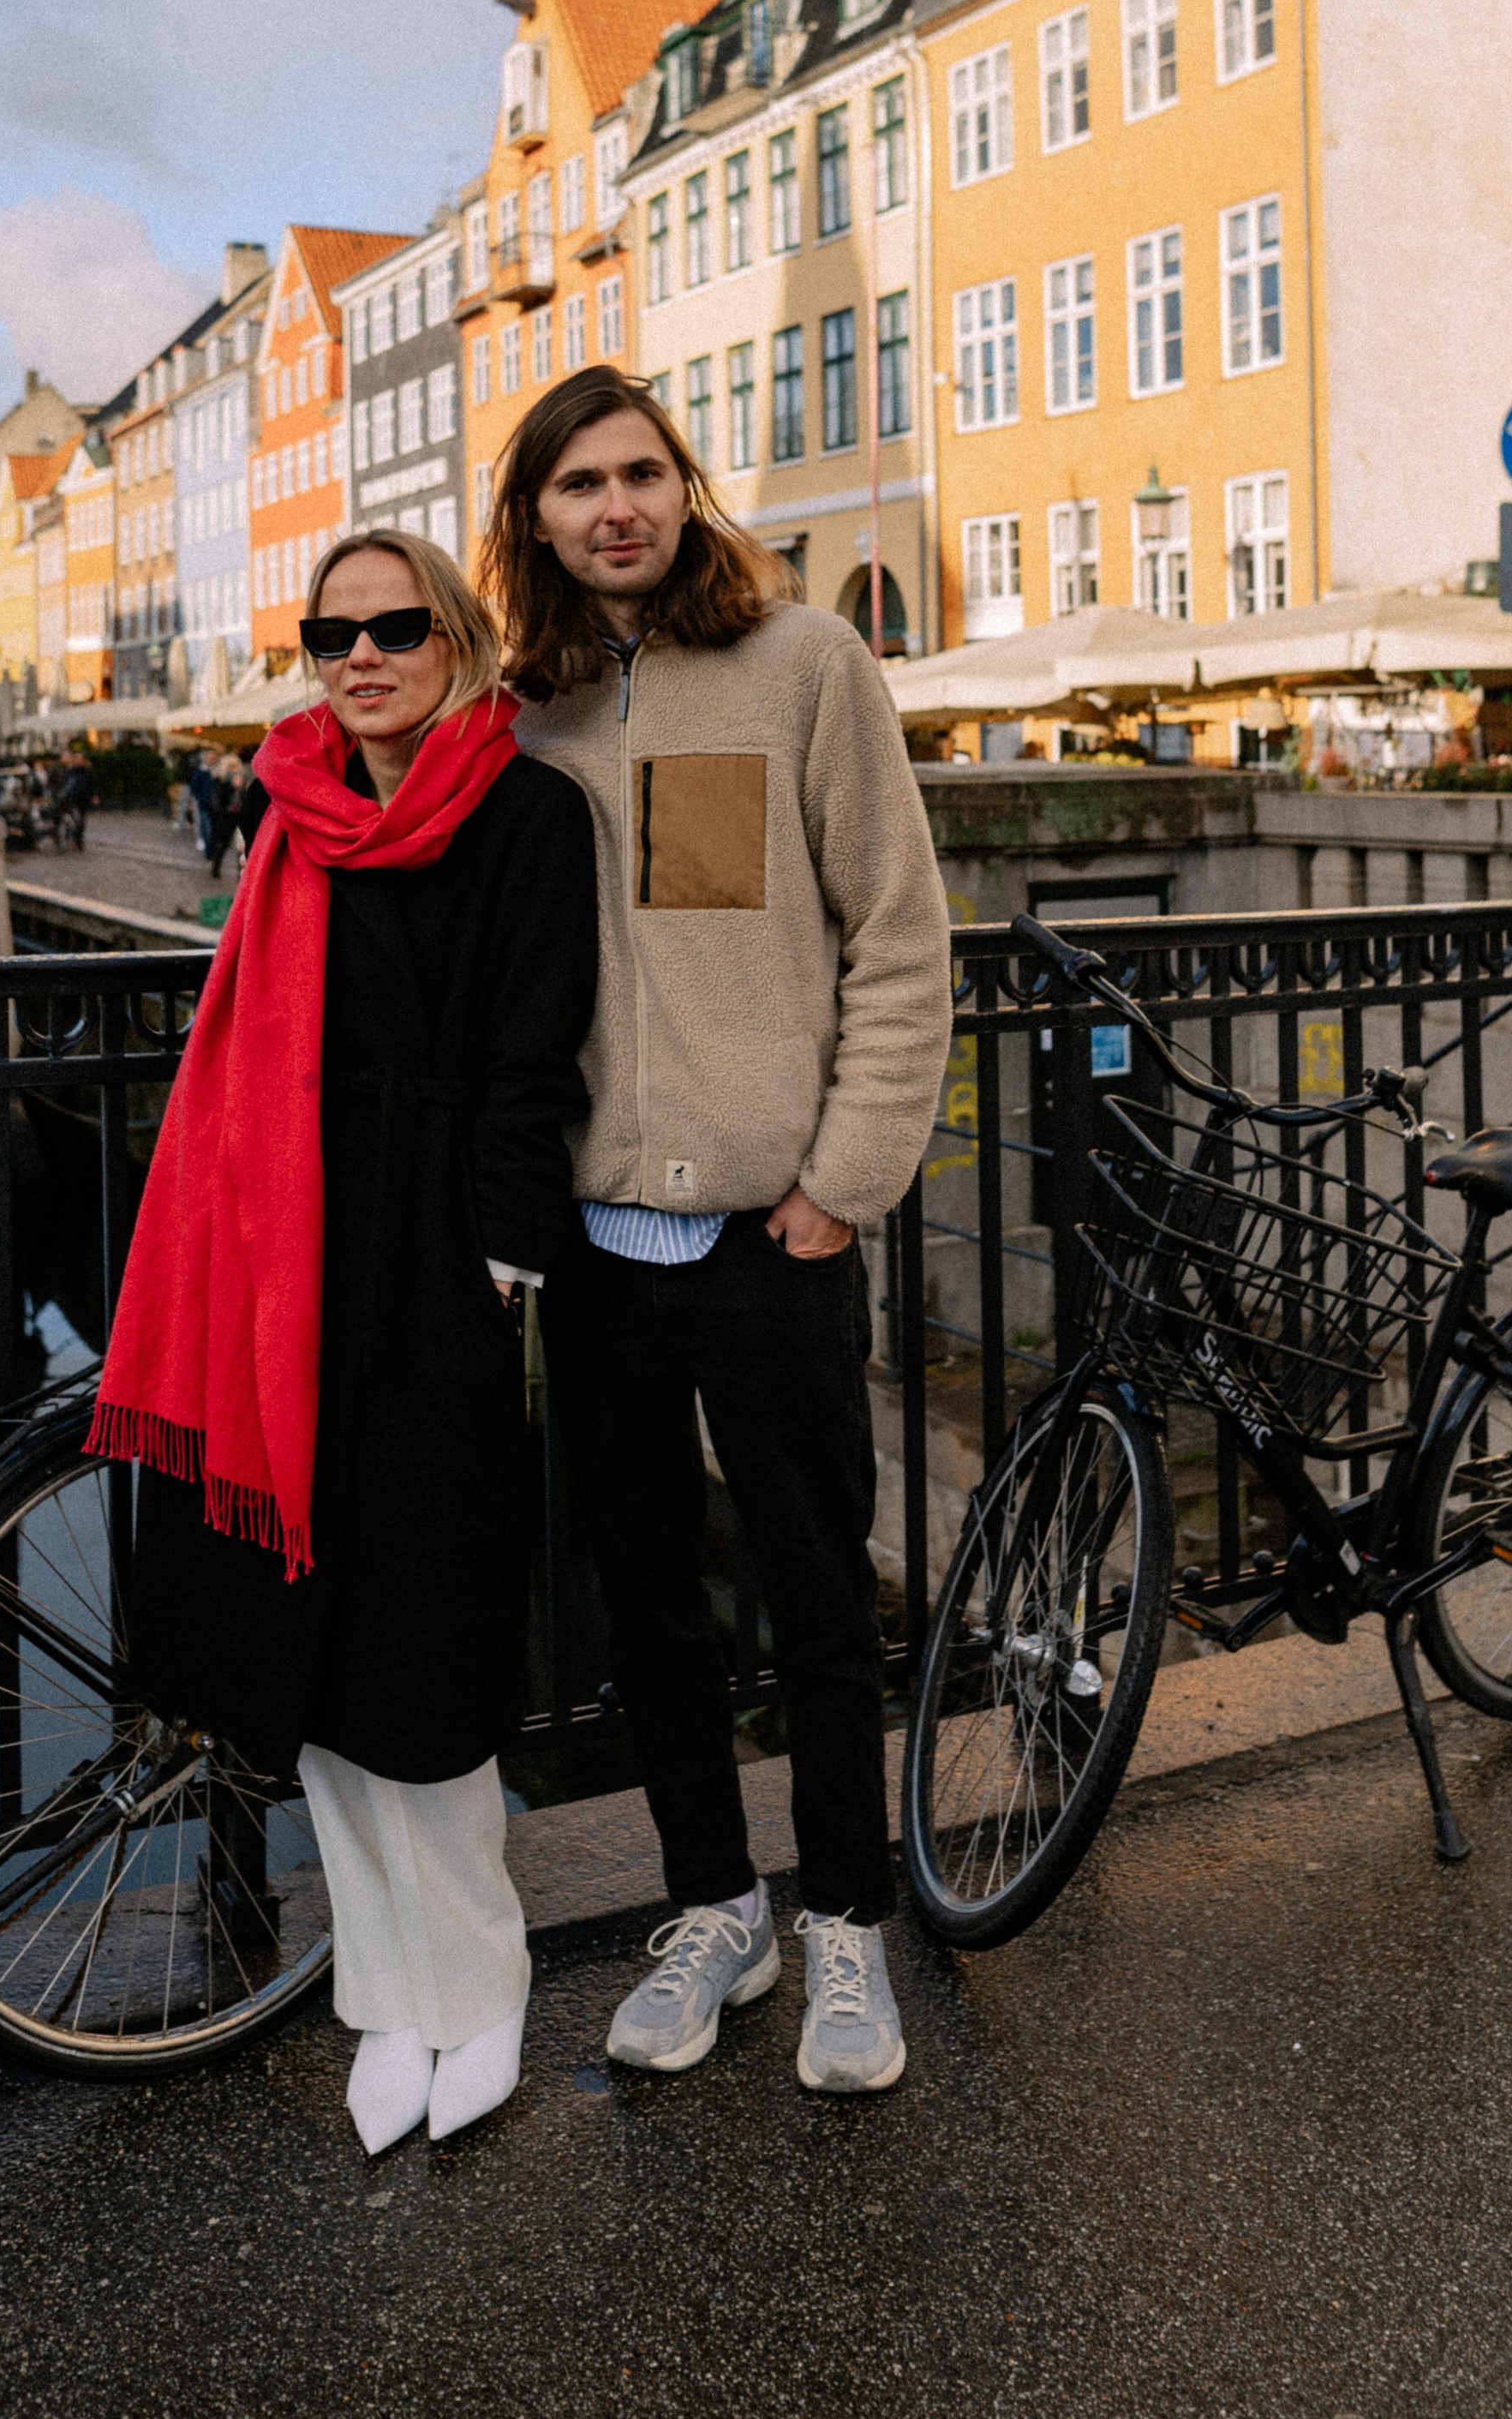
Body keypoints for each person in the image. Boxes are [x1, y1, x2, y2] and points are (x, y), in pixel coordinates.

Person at [91, 527, 596, 2154]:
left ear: (456, 639)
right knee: (312, 1665)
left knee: (420, 1655)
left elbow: (535, 1055)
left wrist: (501, 1265)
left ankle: (483, 1982)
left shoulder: (525, 812)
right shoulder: (290, 812)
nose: (361, 657)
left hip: (434, 1260)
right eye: (332, 634)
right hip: (282, 1263)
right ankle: (384, 1992)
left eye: (394, 628)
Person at [484, 365, 950, 2098]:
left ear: (683, 488)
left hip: (772, 1233)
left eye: (642, 472)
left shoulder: (803, 665)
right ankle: (714, 1909)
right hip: (598, 1247)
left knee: (819, 1601)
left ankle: (846, 1922)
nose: (616, 505)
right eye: (578, 484)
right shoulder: (520, 713)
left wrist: (840, 1185)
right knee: (651, 1615)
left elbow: (897, 937)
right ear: (535, 519)